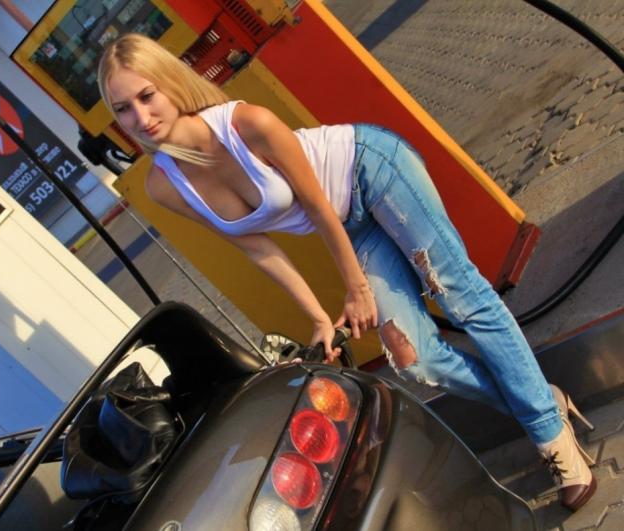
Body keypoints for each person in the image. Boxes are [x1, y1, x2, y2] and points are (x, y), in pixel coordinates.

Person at [98, 33, 596, 510]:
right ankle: (543, 403)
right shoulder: (164, 185)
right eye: (123, 109)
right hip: (353, 225)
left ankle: (551, 439)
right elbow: (256, 247)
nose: (140, 117)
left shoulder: (246, 124)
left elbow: (316, 205)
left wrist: (356, 288)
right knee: (413, 358)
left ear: (171, 83)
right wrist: (318, 317)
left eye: (147, 96)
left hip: (373, 169)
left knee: (460, 296)